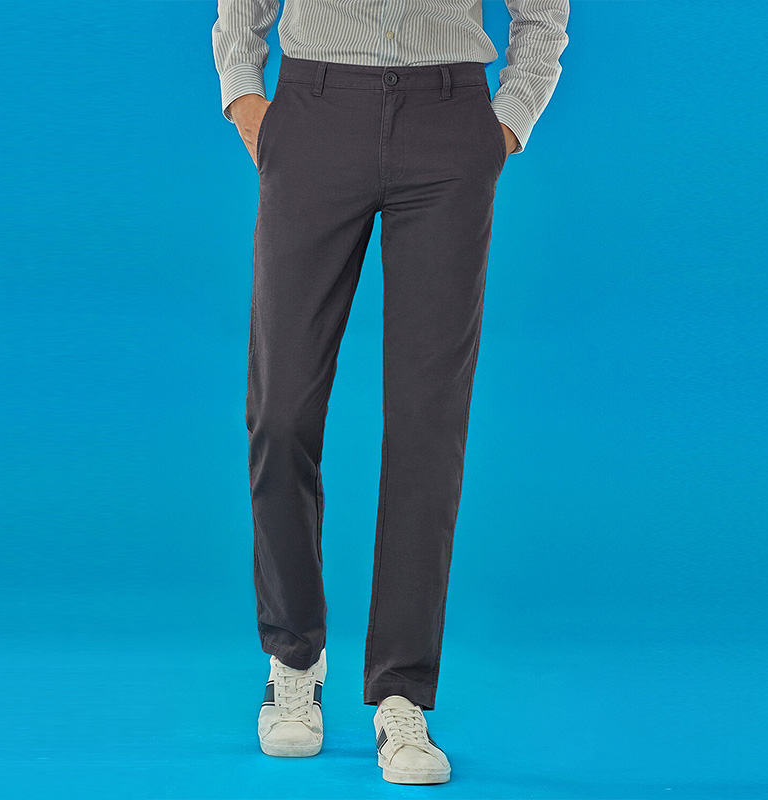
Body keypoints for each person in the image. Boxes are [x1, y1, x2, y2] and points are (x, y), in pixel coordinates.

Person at [211, 0, 569, 785]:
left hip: (448, 120)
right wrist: (245, 97)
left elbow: (542, 14)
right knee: (280, 411)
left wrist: (507, 122)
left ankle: (402, 695)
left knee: (427, 422)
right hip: (315, 109)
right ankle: (293, 657)